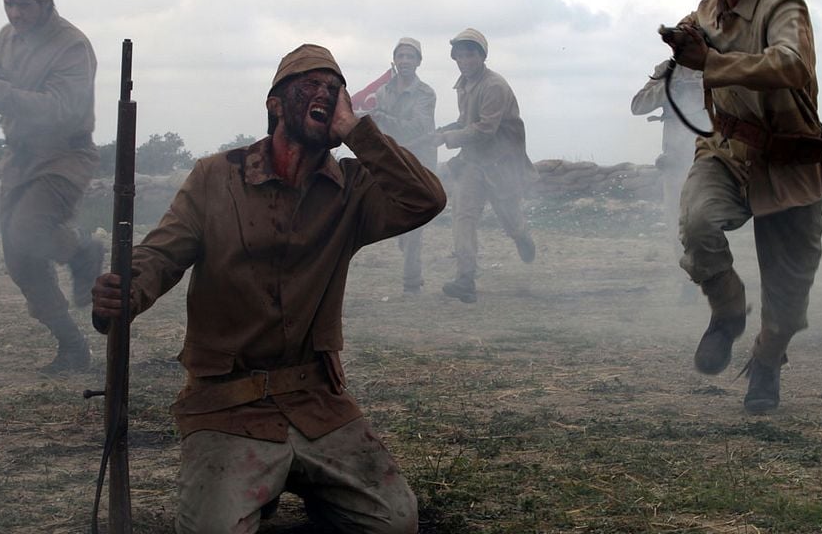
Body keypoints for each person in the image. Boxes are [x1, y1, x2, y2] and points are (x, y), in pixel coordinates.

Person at [92, 44, 445, 534]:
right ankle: (258, 486)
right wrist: (127, 291)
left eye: (334, 89)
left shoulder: (353, 190)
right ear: (275, 104)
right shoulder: (215, 177)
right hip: (227, 403)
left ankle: (299, 490)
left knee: (394, 522)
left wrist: (357, 131)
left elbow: (426, 199)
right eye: (310, 86)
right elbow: (161, 254)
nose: (324, 94)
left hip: (317, 401)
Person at [660, 0, 822, 414]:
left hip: (788, 159)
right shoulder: (706, 10)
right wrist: (679, 43)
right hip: (727, 150)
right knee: (696, 223)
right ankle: (728, 311)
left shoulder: (784, 4)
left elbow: (789, 65)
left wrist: (710, 61)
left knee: (788, 295)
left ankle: (765, 361)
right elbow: (690, 42)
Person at [0, 0, 104, 373]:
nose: (14, 13)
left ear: (45, 2)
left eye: (23, 4)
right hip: (22, 155)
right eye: (9, 3)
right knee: (17, 256)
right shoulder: (10, 36)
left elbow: (64, 108)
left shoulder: (72, 45)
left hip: (65, 153)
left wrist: (4, 96)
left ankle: (82, 250)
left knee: (28, 231)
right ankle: (70, 344)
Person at [431, 28, 536, 304]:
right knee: (463, 216)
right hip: (474, 163)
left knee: (509, 217)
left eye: (470, 55)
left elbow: (485, 129)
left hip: (501, 164)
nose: (464, 60)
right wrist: (442, 131)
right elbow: (467, 120)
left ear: (481, 56)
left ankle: (522, 236)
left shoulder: (494, 86)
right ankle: (465, 279)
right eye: (460, 56)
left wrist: (447, 138)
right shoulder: (464, 85)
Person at [631, 59, 707, 299]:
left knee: (706, 223)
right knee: (677, 226)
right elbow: (638, 105)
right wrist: (668, 90)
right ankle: (690, 280)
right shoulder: (667, 71)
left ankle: (714, 278)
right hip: (676, 163)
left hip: (710, 160)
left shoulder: (717, 65)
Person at [370, 37, 438, 295]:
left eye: (411, 56)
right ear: (395, 60)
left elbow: (418, 126)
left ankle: (411, 282)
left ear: (419, 61)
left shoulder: (426, 93)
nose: (406, 61)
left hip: (419, 162)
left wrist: (382, 118)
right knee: (398, 219)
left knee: (416, 224)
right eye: (401, 56)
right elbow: (381, 128)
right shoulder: (383, 92)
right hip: (392, 161)